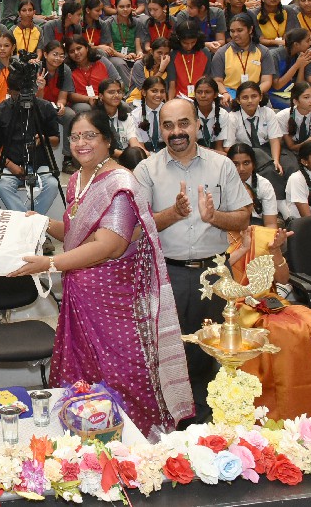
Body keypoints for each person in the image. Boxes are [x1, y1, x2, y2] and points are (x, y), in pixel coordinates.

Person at [11, 109, 193, 439]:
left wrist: (50, 264)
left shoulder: (119, 184)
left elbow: (110, 245)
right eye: (75, 137)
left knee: (122, 375)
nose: (81, 143)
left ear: (108, 140)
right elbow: (75, 235)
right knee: (83, 377)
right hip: (81, 302)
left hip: (114, 303)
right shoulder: (78, 180)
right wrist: (41, 223)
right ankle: (83, 445)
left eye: (90, 135)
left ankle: (134, 447)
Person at [133, 98, 253, 421]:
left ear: (198, 125)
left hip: (214, 274)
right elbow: (136, 227)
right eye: (168, 125)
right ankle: (170, 421)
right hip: (166, 274)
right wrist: (174, 213)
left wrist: (215, 217)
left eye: (184, 123)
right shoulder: (146, 170)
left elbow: (243, 217)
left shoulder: (222, 165)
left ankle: (208, 424)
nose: (176, 132)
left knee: (212, 352)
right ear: (160, 130)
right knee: (169, 352)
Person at [226, 226, 311, 419]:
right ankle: (273, 410)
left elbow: (283, 278)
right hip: (232, 304)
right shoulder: (204, 237)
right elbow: (214, 273)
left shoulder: (262, 235)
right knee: (278, 333)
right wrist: (243, 249)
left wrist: (275, 250)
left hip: (267, 301)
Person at [0, 73, 61, 215]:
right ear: (9, 91)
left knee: (52, 185)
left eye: (27, 93)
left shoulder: (45, 107)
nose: (23, 97)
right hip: (12, 163)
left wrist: (43, 139)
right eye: (17, 94)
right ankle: (28, 220)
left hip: (40, 163)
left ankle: (28, 220)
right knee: (2, 187)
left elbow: (56, 139)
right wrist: (11, 166)